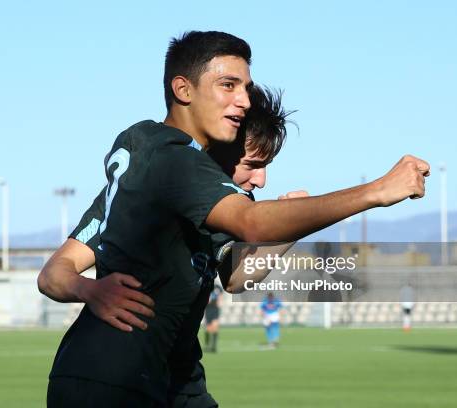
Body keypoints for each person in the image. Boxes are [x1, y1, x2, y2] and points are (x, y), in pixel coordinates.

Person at [42, 30, 429, 407]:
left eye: (245, 88)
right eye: (229, 86)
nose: (260, 179)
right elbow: (253, 223)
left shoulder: (158, 190)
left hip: (173, 381)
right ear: (184, 89)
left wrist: (289, 227)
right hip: (112, 378)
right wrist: (376, 191)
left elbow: (234, 275)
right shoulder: (172, 160)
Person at [204, 283, 222, 353]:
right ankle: (207, 345)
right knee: (208, 328)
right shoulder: (207, 285)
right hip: (208, 309)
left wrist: (219, 302)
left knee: (215, 327)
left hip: (215, 310)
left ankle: (214, 347)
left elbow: (220, 296)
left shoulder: (218, 287)